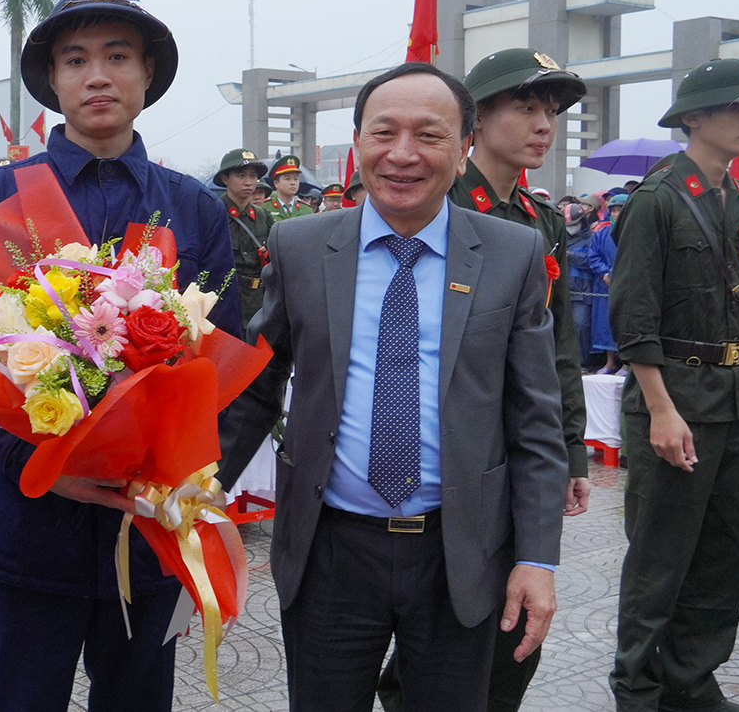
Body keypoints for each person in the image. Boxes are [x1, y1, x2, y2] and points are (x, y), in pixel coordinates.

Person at [229, 60, 566, 712]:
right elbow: (253, 387)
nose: (403, 154)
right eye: (384, 133)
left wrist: (537, 559)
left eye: (430, 135)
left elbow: (535, 419)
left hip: (458, 553)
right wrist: (189, 495)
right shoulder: (300, 246)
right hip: (330, 550)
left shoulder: (511, 253)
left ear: (465, 148)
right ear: (357, 143)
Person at [0, 0, 239, 712]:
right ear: (52, 79)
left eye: (117, 56)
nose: (97, 75)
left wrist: (172, 472)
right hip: (23, 523)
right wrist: (45, 465)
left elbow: (222, 362)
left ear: (148, 76)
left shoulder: (195, 207)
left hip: (149, 531)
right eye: (75, 59)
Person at [378, 48, 591, 712]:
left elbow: (558, 349)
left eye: (550, 112)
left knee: (510, 627)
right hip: (445, 460)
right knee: (447, 623)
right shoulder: (427, 206)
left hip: (516, 456)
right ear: (476, 119)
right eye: (526, 107)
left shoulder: (538, 221)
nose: (543, 126)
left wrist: (571, 449)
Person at [609, 57, 739, 712]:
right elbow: (632, 322)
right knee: (661, 560)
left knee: (723, 554)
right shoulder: (657, 200)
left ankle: (692, 683)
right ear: (693, 118)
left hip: (737, 398)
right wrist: (660, 410)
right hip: (677, 401)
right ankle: (637, 690)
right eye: (736, 109)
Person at [215, 148, 272, 331]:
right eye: (241, 175)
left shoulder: (264, 217)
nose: (248, 182)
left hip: (258, 299)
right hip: (224, 298)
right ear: (225, 179)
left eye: (253, 176)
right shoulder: (213, 213)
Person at [587, 194, 627, 374]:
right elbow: (593, 255)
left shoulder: (635, 231)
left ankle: (627, 364)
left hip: (628, 285)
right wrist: (604, 272)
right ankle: (610, 362)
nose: (617, 214)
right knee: (605, 324)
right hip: (605, 286)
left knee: (627, 324)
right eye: (614, 210)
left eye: (621, 210)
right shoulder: (602, 233)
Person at [565, 202, 599, 367]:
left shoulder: (592, 238)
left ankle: (582, 363)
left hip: (583, 292)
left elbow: (591, 261)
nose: (571, 228)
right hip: (565, 290)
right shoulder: (561, 238)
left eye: (574, 224)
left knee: (581, 326)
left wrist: (569, 256)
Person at [267, 155, 317, 221]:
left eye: (296, 179)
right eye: (287, 179)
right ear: (276, 183)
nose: (293, 183)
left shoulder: (306, 209)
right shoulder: (265, 207)